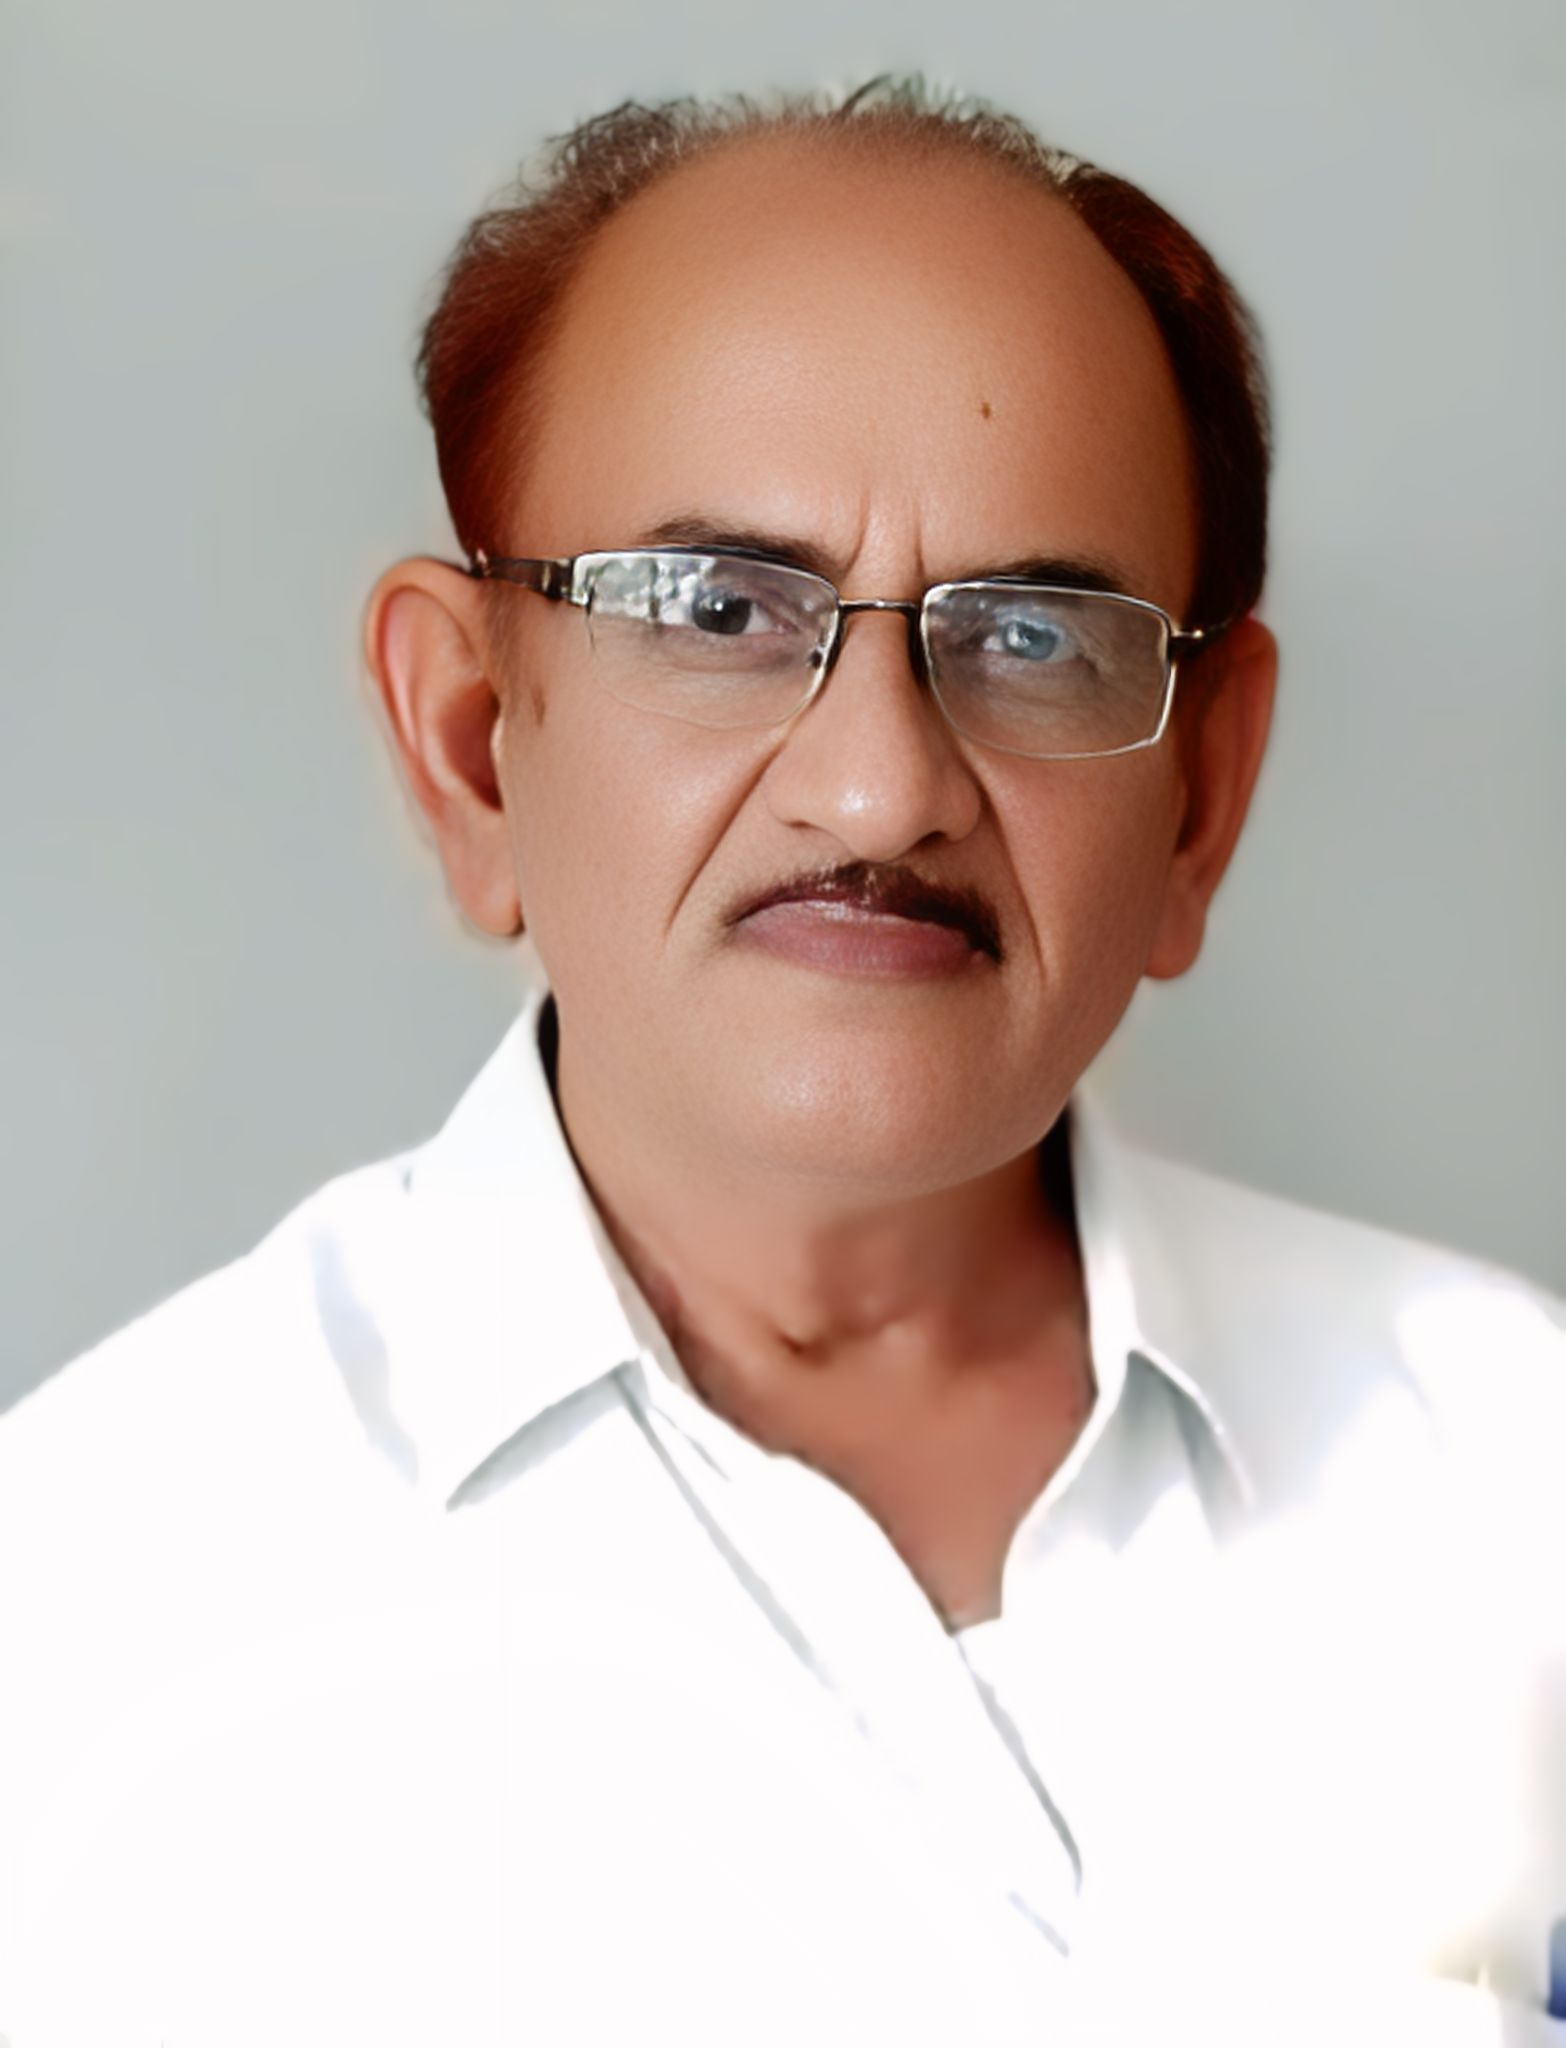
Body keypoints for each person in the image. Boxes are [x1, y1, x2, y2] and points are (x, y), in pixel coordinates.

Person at [3, 81, 1562, 2048]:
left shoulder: (1511, 1461)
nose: (881, 786)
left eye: (1035, 633)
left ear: (1201, 793)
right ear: (473, 740)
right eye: (719, 609)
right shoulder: (87, 1610)